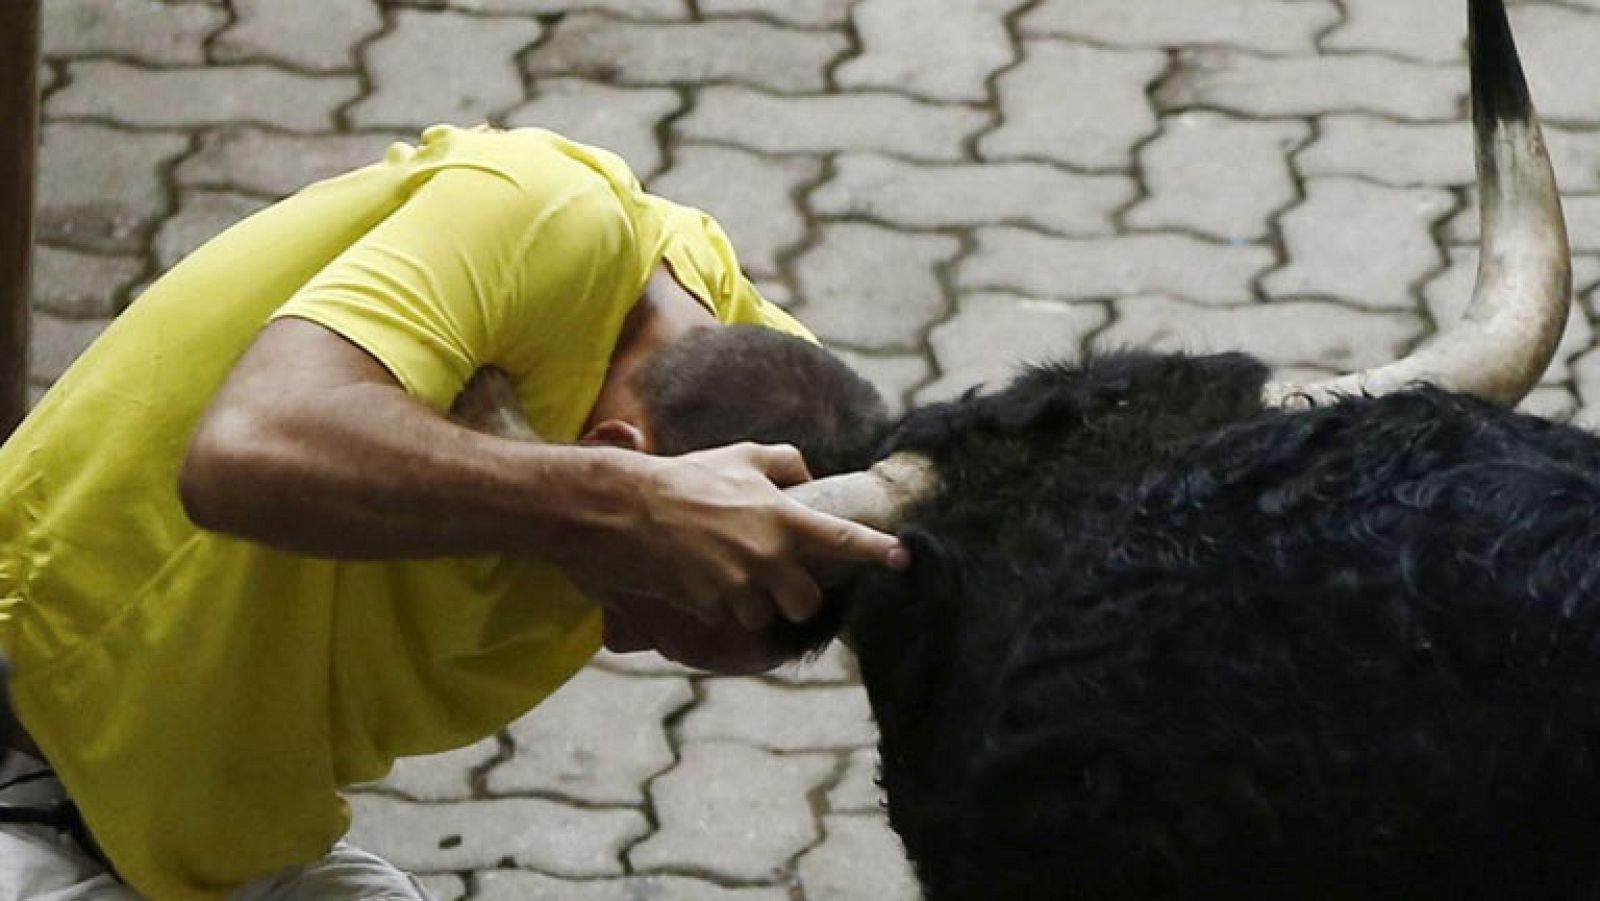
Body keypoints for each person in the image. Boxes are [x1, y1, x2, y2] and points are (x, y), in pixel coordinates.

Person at [0, 125, 905, 899]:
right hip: (34, 722)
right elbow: (243, 452)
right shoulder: (543, 218)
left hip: (194, 829)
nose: (615, 643)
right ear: (622, 458)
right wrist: (611, 506)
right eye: (641, 608)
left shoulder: (777, 401)